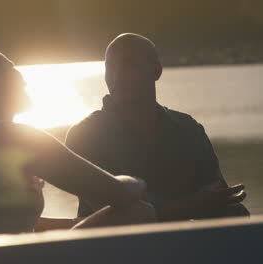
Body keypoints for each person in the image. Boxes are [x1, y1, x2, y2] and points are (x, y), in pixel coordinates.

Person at [0, 44, 155, 240]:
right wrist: (138, 182)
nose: (23, 78)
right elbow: (118, 193)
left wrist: (80, 223)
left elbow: (16, 223)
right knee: (139, 211)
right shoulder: (14, 137)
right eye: (12, 68)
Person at [65, 33, 249, 222]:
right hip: (112, 248)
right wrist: (193, 205)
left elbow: (217, 198)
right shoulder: (84, 135)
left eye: (129, 66)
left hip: (185, 246)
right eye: (109, 67)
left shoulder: (188, 129)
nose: (116, 77)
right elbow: (115, 216)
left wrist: (217, 205)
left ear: (156, 71)